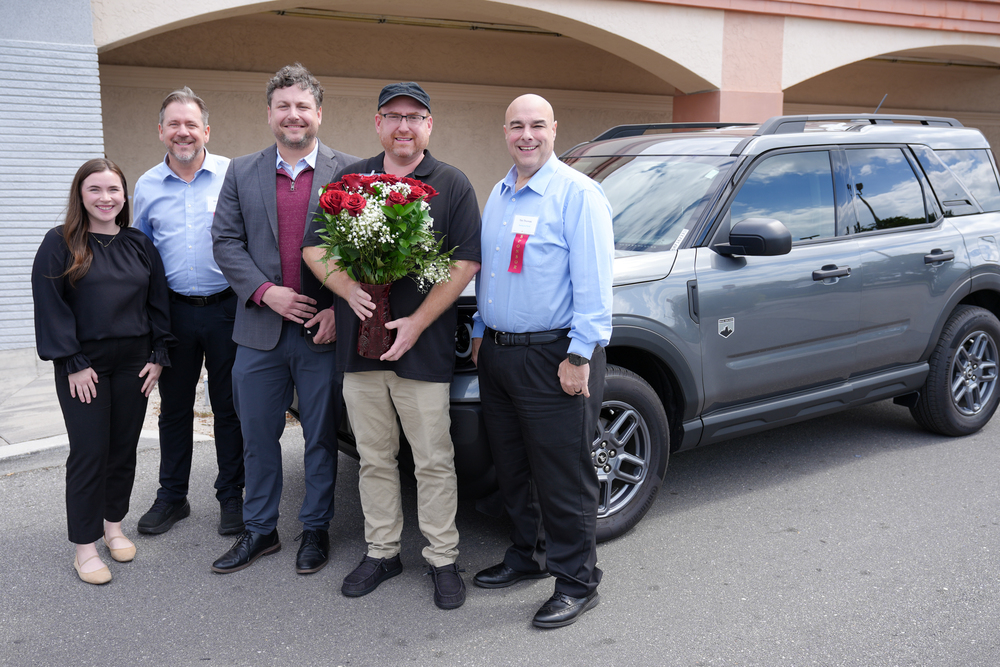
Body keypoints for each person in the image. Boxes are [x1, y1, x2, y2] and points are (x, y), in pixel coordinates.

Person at [302, 82, 481, 609]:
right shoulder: (349, 178)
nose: (404, 126)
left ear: (429, 125)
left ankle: (442, 558)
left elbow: (464, 263)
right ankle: (382, 551)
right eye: (393, 115)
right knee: (375, 458)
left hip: (422, 353)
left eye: (415, 116)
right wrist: (348, 290)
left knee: (432, 459)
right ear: (378, 123)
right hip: (360, 350)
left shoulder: (452, 183)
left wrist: (418, 322)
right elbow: (315, 248)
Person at [470, 94, 614, 628]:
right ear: (504, 131)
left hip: (558, 356)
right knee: (512, 467)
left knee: (562, 475)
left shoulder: (578, 194)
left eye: (536, 125)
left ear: (555, 129)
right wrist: (484, 330)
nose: (525, 135)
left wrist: (580, 354)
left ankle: (577, 581)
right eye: (515, 126)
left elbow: (596, 287)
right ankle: (525, 557)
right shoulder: (501, 192)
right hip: (501, 355)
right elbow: (493, 273)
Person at [210, 64, 357, 575]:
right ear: (270, 113)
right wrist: (266, 292)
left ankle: (315, 529)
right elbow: (225, 242)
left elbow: (364, 255)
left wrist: (342, 310)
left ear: (319, 113)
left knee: (320, 437)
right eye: (283, 106)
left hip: (323, 331)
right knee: (257, 436)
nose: (293, 115)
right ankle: (260, 530)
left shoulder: (352, 172)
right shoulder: (242, 171)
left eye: (302, 106)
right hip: (258, 331)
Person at [31, 158, 175, 585]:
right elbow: (49, 304)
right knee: (90, 452)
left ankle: (114, 526)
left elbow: (158, 300)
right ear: (80, 194)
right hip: (84, 365)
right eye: (95, 189)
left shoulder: (138, 244)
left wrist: (158, 354)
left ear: (125, 195)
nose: (105, 198)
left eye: (113, 189)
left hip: (135, 362)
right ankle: (85, 546)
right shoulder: (60, 242)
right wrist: (71, 361)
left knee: (122, 448)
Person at [133, 87, 245, 537]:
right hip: (174, 315)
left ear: (206, 131)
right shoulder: (145, 186)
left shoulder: (231, 176)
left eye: (191, 124)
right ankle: (172, 497)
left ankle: (231, 497)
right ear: (161, 131)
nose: (183, 132)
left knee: (229, 409)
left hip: (227, 309)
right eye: (174, 124)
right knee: (174, 410)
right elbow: (140, 257)